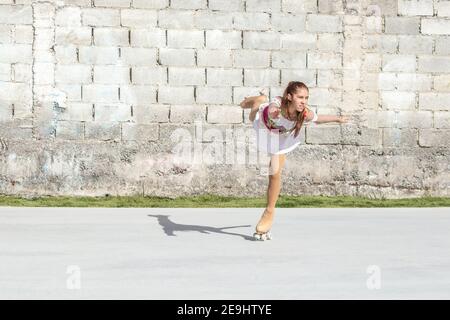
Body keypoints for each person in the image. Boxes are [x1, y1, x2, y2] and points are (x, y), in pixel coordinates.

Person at [239, 81, 348, 240]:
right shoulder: (277, 105)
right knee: (251, 114)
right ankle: (258, 100)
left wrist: (338, 119)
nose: (304, 101)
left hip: (280, 138)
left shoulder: (304, 113)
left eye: (306, 98)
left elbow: (318, 119)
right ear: (289, 97)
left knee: (274, 173)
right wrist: (272, 112)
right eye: (300, 97)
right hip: (265, 126)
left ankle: (269, 211)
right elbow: (272, 110)